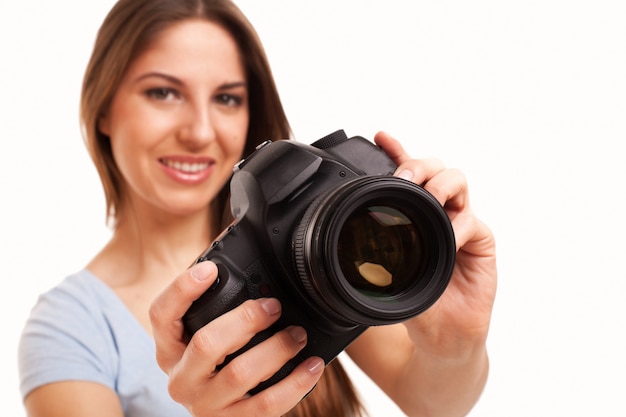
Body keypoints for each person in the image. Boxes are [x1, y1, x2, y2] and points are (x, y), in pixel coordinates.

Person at [18, 0, 497, 416]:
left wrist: (457, 341)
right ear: (103, 107)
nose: (200, 131)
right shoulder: (69, 327)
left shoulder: (323, 239)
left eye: (226, 98)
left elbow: (436, 405)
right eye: (163, 92)